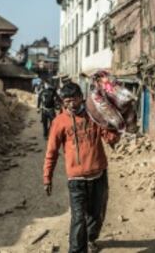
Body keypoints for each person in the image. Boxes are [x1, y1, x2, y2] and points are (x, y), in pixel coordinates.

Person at [43, 82, 120, 253]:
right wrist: (47, 177)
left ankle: (91, 239)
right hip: (76, 180)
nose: (71, 104)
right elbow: (52, 151)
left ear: (81, 98)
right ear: (63, 101)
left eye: (74, 99)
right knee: (78, 219)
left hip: (98, 175)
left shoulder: (93, 117)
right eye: (67, 100)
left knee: (96, 215)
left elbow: (109, 137)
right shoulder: (59, 122)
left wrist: (115, 126)